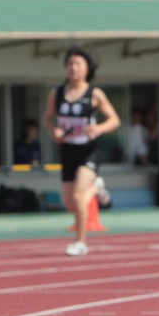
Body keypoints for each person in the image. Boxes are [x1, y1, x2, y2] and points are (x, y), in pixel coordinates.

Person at [42, 47, 121, 257]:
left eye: (78, 64)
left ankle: (80, 241)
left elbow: (115, 120)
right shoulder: (57, 93)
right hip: (68, 151)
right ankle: (96, 188)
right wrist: (54, 130)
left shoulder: (94, 94)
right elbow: (47, 119)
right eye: (70, 64)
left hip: (88, 150)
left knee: (78, 196)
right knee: (70, 203)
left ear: (87, 69)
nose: (73, 68)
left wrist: (99, 128)